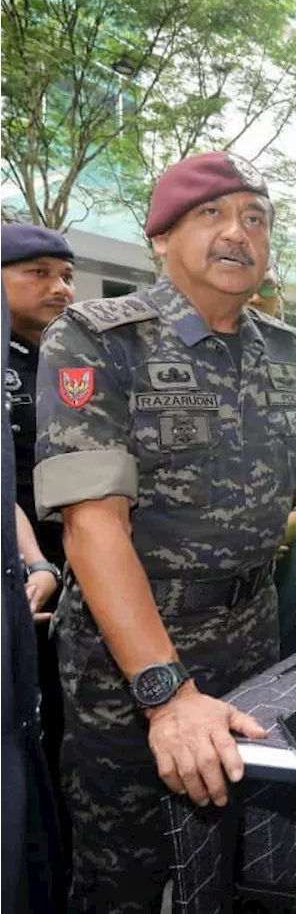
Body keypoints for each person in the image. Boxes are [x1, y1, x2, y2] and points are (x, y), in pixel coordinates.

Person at [35, 151, 296, 913]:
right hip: (130, 666)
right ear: (160, 237)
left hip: (254, 639)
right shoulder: (100, 341)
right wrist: (166, 698)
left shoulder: (286, 350)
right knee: (127, 879)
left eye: (255, 218)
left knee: (242, 862)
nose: (238, 233)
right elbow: (92, 530)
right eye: (212, 214)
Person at [0, 223, 76, 877]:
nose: (60, 288)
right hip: (23, 577)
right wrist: (32, 566)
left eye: (66, 275)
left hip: (73, 569)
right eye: (39, 272)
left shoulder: (67, 357)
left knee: (66, 730)